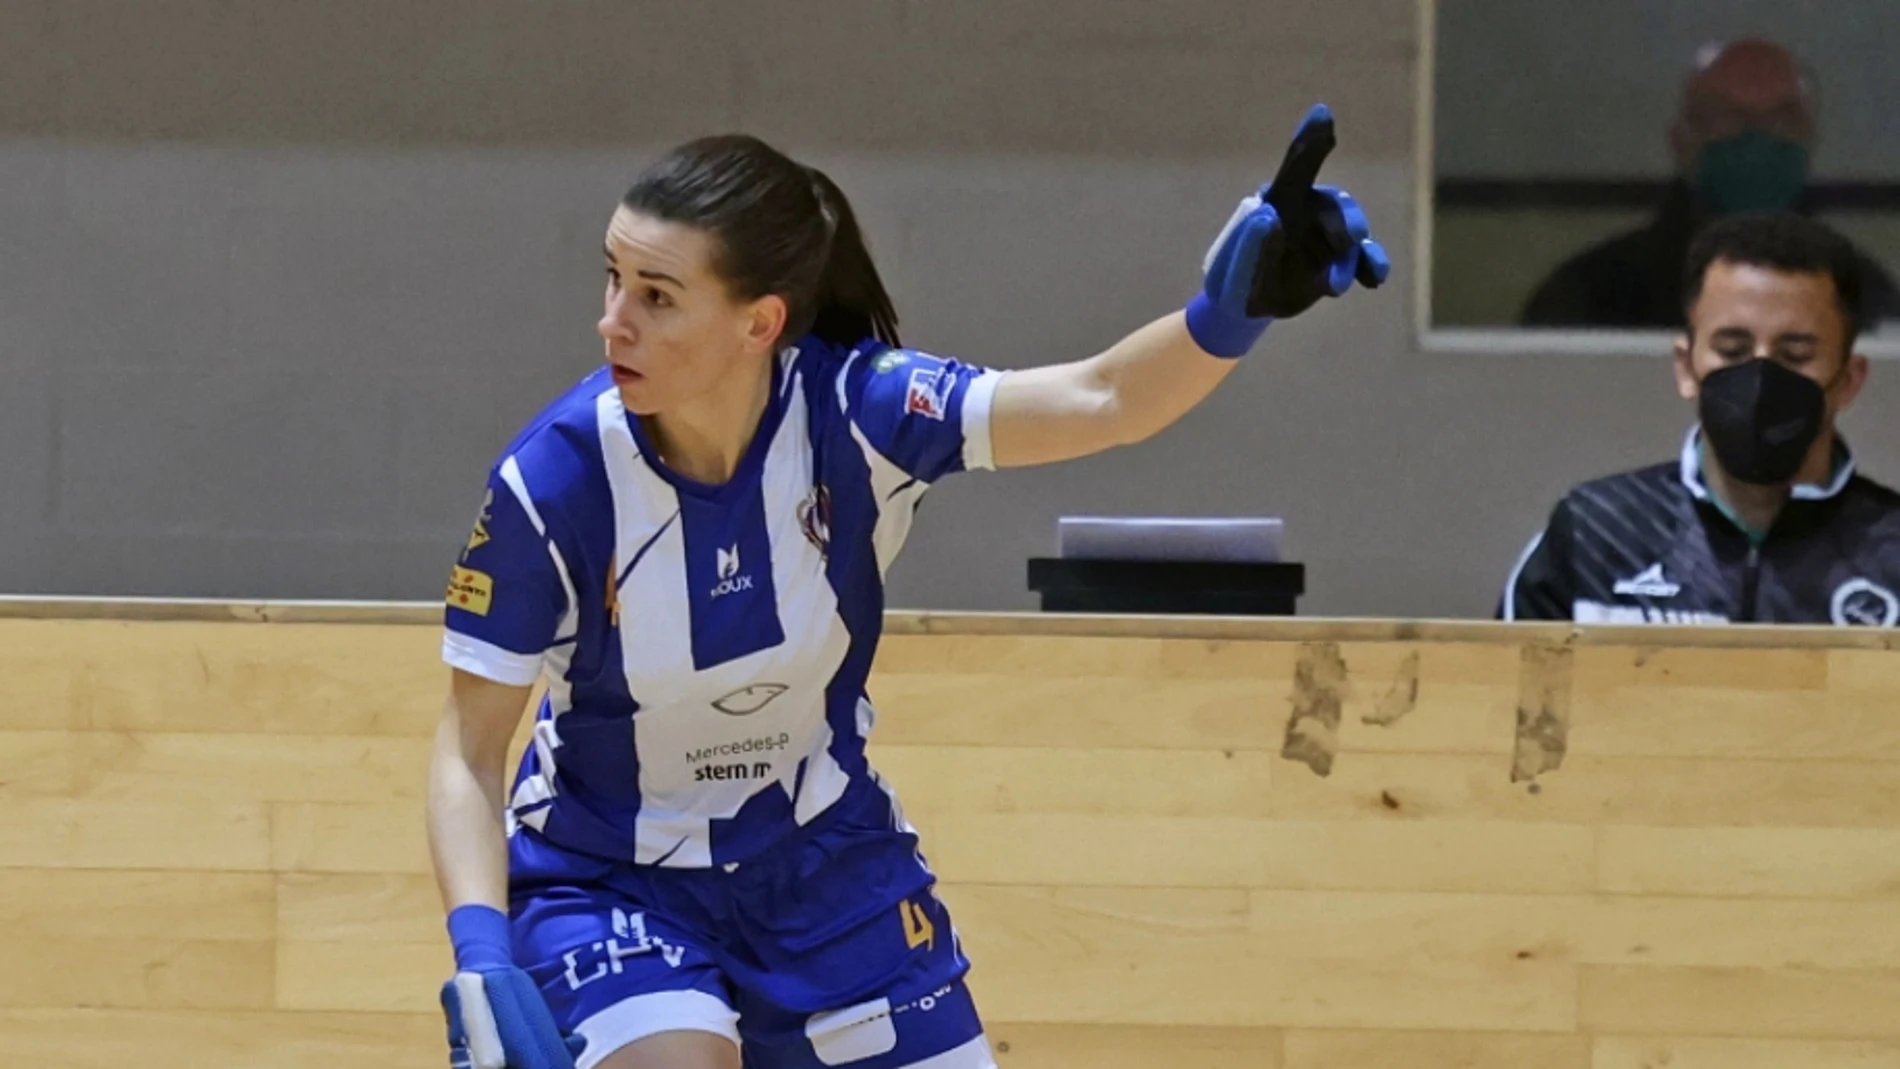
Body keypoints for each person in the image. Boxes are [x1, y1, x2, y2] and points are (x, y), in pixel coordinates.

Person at [426, 106, 1389, 1069]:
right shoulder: (553, 480)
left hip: (821, 865)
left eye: (657, 295)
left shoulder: (865, 412)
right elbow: (470, 751)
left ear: (760, 321)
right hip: (608, 882)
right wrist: (481, 955)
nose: (612, 320)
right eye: (612, 277)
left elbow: (1107, 397)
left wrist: (1227, 316)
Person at [1500, 211, 1900, 626]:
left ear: (1849, 380)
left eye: (1794, 355)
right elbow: (1501, 685)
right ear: (1686, 367)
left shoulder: (1891, 549)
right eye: (1732, 350)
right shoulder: (1595, 534)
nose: (1760, 377)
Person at [1519, 37, 1900, 329]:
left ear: (1810, 139)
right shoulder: (1592, 296)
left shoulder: (1864, 295)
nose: (1757, 137)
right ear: (1681, 141)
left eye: (1783, 118)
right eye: (1727, 117)